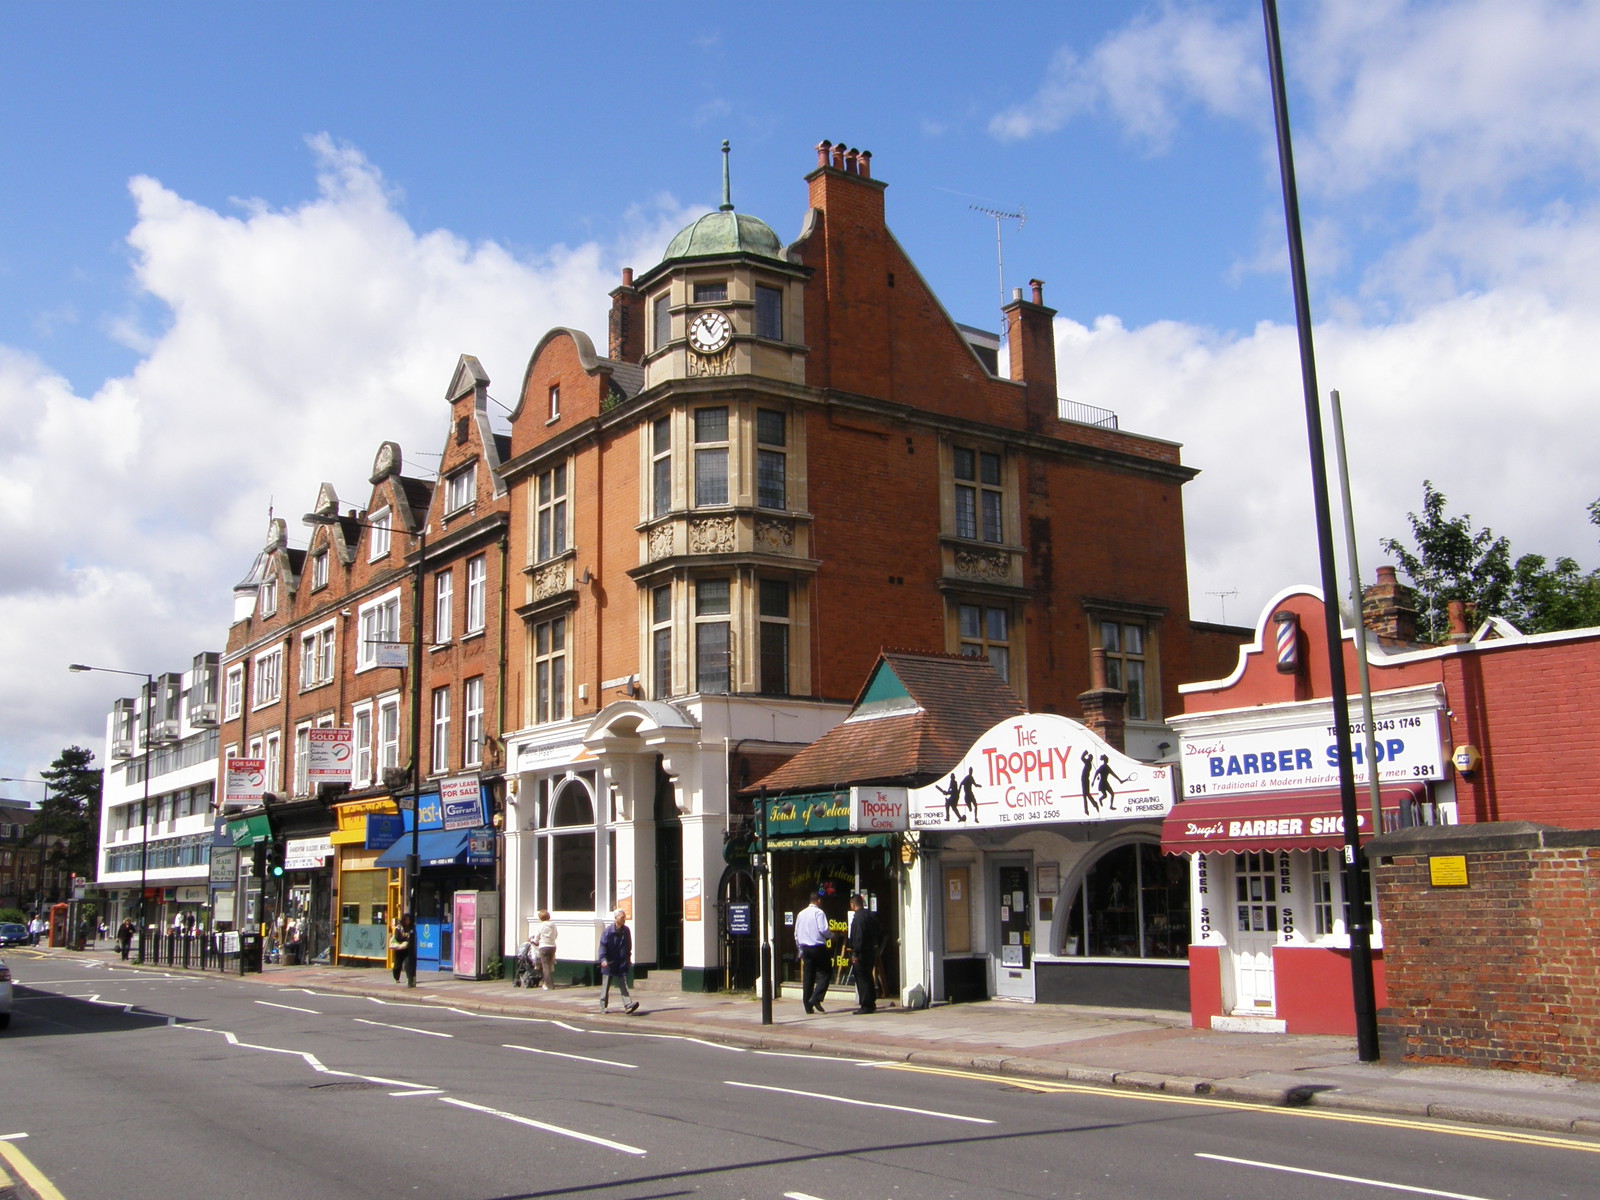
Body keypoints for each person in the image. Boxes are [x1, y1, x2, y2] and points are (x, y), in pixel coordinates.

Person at [794, 891, 832, 1014]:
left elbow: (796, 934)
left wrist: (799, 949)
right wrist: (832, 936)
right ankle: (816, 997)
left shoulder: (801, 914)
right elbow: (823, 929)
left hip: (805, 948)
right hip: (818, 947)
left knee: (808, 977)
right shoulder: (819, 912)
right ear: (819, 901)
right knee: (826, 972)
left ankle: (807, 1005)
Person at [597, 909, 638, 1013]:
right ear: (616, 918)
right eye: (622, 917)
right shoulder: (608, 932)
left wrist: (628, 958)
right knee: (606, 985)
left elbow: (628, 946)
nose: (624, 919)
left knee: (623, 983)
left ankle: (628, 1005)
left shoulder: (626, 931)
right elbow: (603, 946)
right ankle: (603, 1006)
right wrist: (603, 959)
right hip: (609, 962)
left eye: (624, 917)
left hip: (621, 961)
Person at [847, 894, 882, 1014]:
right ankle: (871, 1002)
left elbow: (858, 936)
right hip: (870, 951)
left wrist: (855, 953)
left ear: (853, 904)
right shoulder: (870, 915)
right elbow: (879, 930)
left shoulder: (858, 918)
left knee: (862, 979)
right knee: (868, 976)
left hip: (861, 952)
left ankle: (866, 1005)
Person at [532, 909, 558, 991]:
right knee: (550, 965)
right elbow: (556, 934)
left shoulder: (541, 926)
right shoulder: (553, 925)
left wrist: (534, 941)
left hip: (543, 946)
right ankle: (546, 983)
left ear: (540, 918)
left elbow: (537, 937)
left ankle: (549, 985)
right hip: (553, 946)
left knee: (545, 966)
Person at [390, 913, 416, 987]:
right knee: (397, 965)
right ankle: (396, 978)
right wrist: (405, 937)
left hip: (407, 949)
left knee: (408, 964)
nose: (408, 921)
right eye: (406, 920)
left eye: (409, 920)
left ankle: (409, 978)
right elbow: (398, 938)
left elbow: (412, 936)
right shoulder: (399, 927)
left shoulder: (411, 927)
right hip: (400, 949)